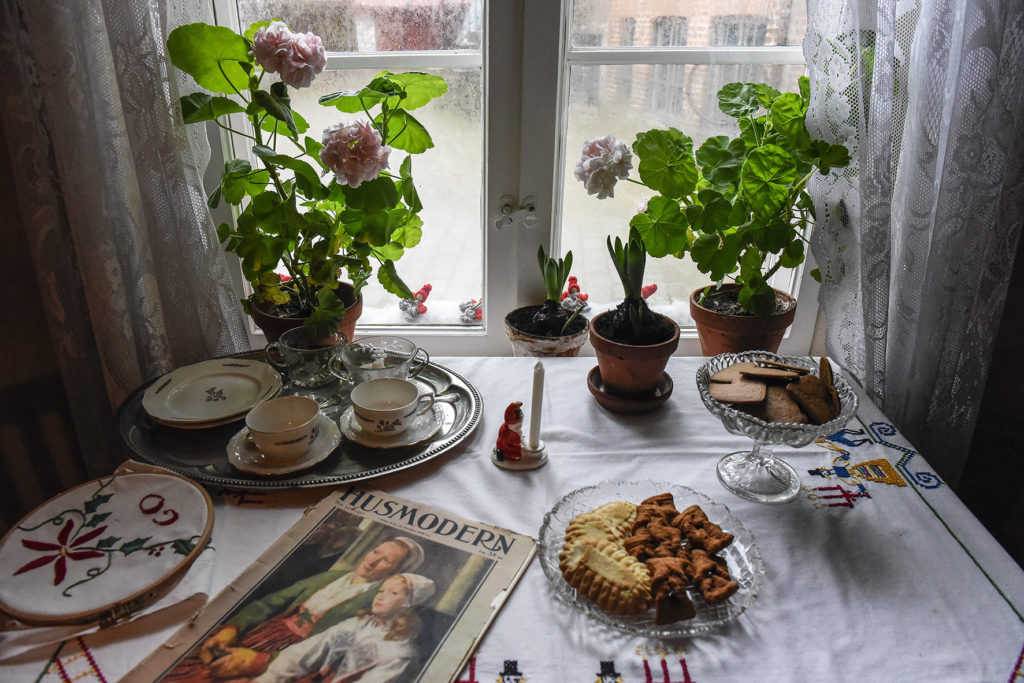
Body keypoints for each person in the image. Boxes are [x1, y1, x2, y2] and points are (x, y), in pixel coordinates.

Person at [165, 537, 425, 681]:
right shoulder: (332, 577)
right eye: (375, 551)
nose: (372, 560)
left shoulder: (378, 603)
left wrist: (262, 661)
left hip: (290, 658)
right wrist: (233, 628)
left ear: (396, 572)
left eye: (385, 560)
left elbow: (333, 652)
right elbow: (271, 602)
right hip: (258, 634)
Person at [249, 573, 437, 682]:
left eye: (393, 593)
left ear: (407, 603)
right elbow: (304, 654)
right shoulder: (356, 624)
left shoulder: (400, 652)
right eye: (381, 591)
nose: (380, 596)